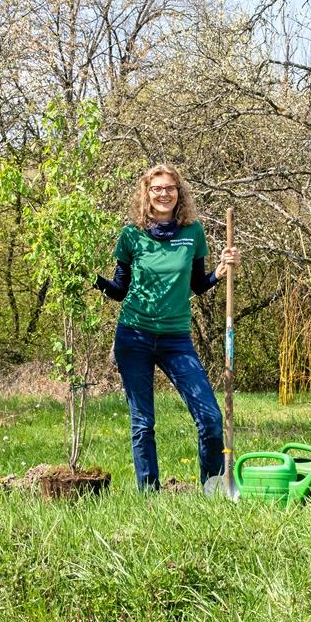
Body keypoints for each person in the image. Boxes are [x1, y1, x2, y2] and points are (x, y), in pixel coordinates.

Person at [94, 163, 240, 490]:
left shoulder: (193, 233)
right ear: (147, 193)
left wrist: (222, 269)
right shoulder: (132, 235)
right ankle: (150, 495)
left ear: (179, 193)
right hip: (134, 335)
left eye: (169, 188)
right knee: (143, 423)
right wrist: (88, 279)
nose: (163, 193)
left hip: (176, 340)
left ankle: (212, 488)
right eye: (157, 188)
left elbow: (199, 284)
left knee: (211, 419)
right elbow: (119, 290)